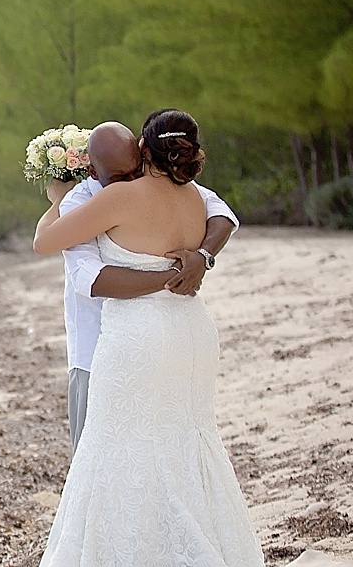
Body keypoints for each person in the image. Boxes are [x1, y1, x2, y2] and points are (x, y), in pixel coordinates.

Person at [25, 108, 353, 567]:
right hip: (191, 333)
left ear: (145, 152)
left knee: (120, 445)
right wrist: (197, 263)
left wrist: (60, 203)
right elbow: (222, 221)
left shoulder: (114, 199)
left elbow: (46, 244)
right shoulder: (196, 201)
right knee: (186, 443)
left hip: (141, 338)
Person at [51, 119, 238, 453]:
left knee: (170, 447)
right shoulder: (80, 202)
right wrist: (173, 277)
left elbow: (221, 212)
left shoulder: (161, 186)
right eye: (119, 177)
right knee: (110, 453)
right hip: (102, 344)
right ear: (92, 172)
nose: (130, 182)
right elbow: (85, 276)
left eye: (135, 171)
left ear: (142, 153)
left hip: (153, 340)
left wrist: (204, 256)